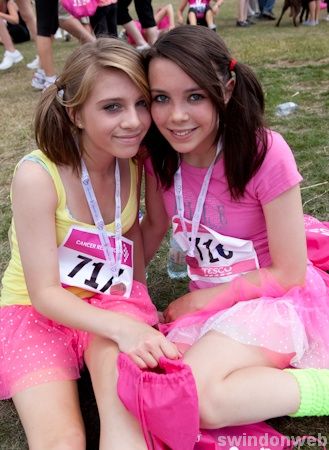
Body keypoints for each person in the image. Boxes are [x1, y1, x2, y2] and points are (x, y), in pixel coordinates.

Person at [141, 25, 329, 429]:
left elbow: (290, 272)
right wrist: (113, 289)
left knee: (197, 400)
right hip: (213, 305)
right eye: (161, 98)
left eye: (195, 96)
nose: (176, 116)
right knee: (166, 386)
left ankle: (321, 389)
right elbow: (153, 227)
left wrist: (200, 302)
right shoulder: (158, 157)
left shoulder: (264, 152)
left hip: (275, 300)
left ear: (225, 90)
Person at [0, 37, 179, 449]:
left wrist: (135, 300)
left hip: (108, 302)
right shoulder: (37, 176)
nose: (134, 121)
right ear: (76, 113)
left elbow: (129, 234)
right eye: (112, 107)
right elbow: (44, 294)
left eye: (141, 103)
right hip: (34, 313)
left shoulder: (132, 162)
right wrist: (124, 329)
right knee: (62, 440)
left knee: (127, 424)